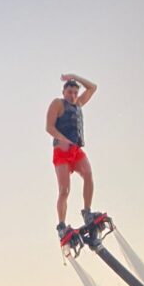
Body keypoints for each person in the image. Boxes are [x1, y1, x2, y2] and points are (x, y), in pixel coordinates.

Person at [45, 73, 99, 236]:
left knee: (88, 175)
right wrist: (64, 140)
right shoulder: (58, 104)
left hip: (75, 151)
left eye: (75, 93)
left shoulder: (79, 104)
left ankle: (87, 212)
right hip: (61, 151)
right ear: (64, 92)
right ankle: (62, 226)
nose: (73, 96)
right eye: (70, 92)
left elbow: (93, 87)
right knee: (64, 190)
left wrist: (74, 76)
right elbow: (49, 127)